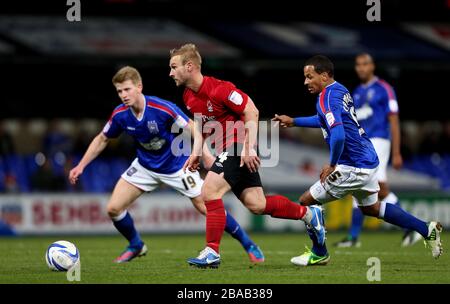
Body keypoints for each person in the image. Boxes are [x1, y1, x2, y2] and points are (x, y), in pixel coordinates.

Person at [69, 66, 265, 263]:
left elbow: (193, 128)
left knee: (207, 206)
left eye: (127, 89)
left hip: (176, 166)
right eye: (119, 91)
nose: (123, 95)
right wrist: (81, 166)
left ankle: (248, 243)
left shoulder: (161, 108)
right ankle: (136, 245)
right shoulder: (120, 114)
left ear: (139, 87)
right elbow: (102, 138)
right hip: (145, 166)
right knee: (113, 208)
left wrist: (204, 154)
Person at [272, 55, 443, 266]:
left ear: (324, 76)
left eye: (309, 77)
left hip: (353, 164)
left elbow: (339, 134)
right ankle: (426, 229)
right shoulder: (340, 90)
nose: (306, 82)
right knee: (371, 209)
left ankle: (319, 253)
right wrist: (294, 121)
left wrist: (333, 164)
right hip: (368, 159)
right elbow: (324, 119)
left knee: (307, 201)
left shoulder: (327, 97)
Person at [169, 43, 325, 269]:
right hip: (228, 149)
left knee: (209, 191)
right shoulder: (188, 96)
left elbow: (251, 110)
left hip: (239, 145)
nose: (170, 73)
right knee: (257, 204)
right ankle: (309, 214)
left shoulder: (220, 89)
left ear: (190, 66)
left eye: (174, 67)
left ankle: (211, 251)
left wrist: (248, 147)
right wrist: (196, 153)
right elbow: (202, 125)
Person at [334, 53, 421, 248]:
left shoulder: (385, 89)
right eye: (358, 65)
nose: (361, 68)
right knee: (358, 185)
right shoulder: (355, 92)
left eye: (365, 64)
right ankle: (353, 237)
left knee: (380, 187)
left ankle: (412, 228)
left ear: (372, 66)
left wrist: (397, 152)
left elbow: (394, 120)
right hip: (363, 144)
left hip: (380, 140)